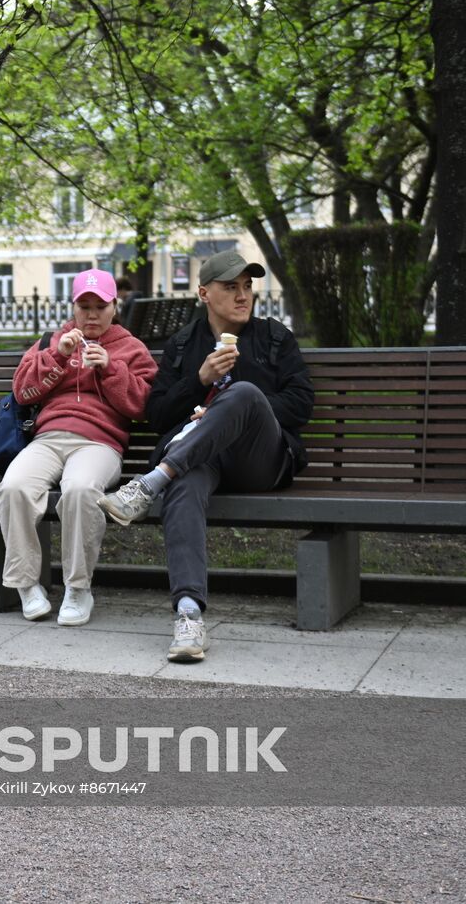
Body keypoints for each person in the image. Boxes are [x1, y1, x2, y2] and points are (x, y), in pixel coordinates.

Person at [98, 250, 313, 662]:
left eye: (247, 286)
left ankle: (148, 484)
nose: (242, 295)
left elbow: (301, 404)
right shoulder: (182, 345)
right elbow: (159, 415)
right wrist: (199, 381)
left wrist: (231, 407)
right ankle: (188, 614)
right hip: (200, 461)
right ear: (203, 293)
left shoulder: (273, 337)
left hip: (259, 460)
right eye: (231, 287)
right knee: (185, 480)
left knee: (244, 394)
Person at [0, 269, 157, 625]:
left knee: (81, 490)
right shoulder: (54, 341)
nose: (92, 314)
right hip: (48, 439)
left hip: (99, 444)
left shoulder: (131, 348)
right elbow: (23, 392)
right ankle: (26, 585)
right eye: (84, 306)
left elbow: (145, 407)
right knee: (14, 486)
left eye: (100, 306)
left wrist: (111, 369)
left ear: (115, 306)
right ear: (74, 307)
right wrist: (56, 356)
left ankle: (78, 588)